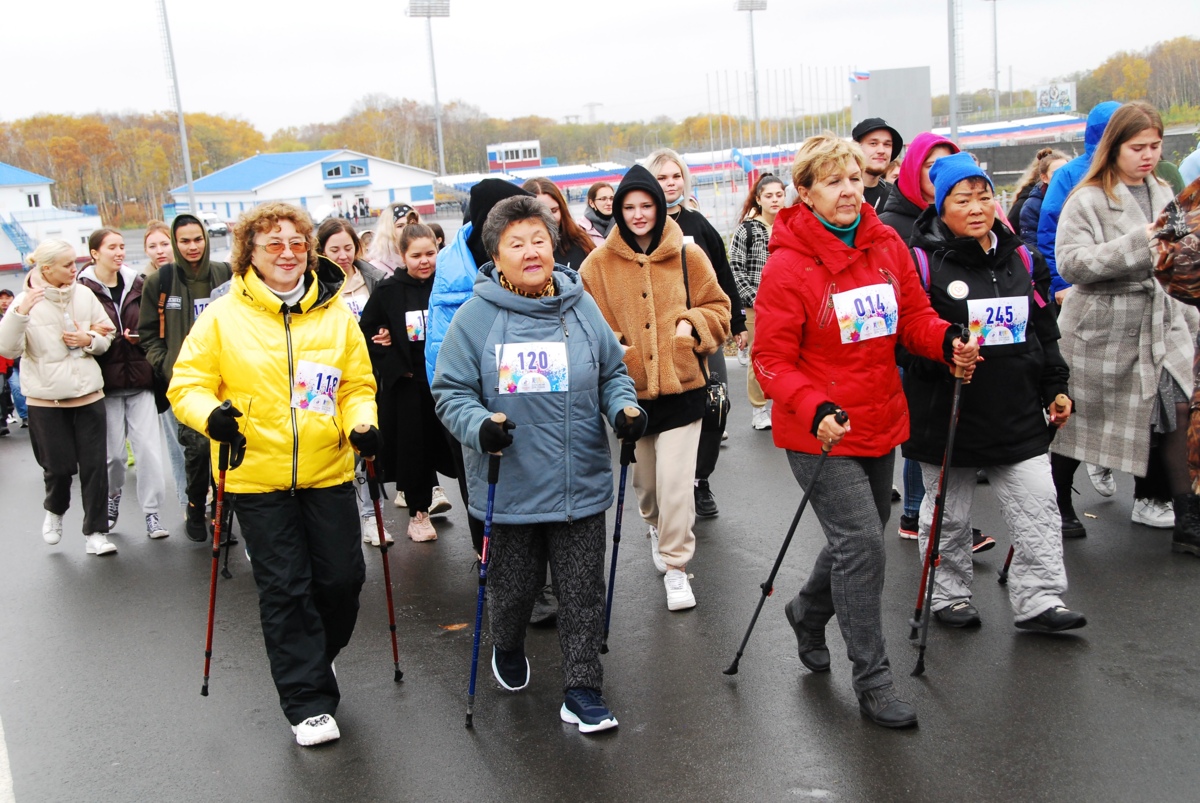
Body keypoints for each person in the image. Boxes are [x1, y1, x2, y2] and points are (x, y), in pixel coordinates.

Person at [752, 133, 978, 728]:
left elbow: (913, 319)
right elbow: (770, 360)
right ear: (804, 193)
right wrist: (815, 405)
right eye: (832, 181)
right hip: (819, 431)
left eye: (853, 178)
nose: (849, 190)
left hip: (879, 419)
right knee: (863, 547)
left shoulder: (884, 243)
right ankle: (873, 678)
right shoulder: (788, 265)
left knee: (861, 538)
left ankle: (807, 610)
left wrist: (946, 340)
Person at [168, 201, 379, 747]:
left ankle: (318, 657)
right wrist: (211, 417)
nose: (287, 253)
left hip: (327, 468)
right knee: (285, 587)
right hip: (254, 475)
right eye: (273, 244)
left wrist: (361, 424)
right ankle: (307, 701)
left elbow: (357, 385)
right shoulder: (221, 315)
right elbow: (186, 384)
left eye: (295, 243)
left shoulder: (334, 313)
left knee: (342, 579)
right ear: (250, 255)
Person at [432, 194, 643, 733]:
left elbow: (612, 373)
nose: (532, 252)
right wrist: (479, 424)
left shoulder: (581, 306)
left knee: (580, 593)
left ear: (555, 246)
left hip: (579, 481)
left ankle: (582, 688)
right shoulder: (476, 318)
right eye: (517, 243)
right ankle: (507, 642)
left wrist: (623, 407)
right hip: (512, 486)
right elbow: (451, 392)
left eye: (540, 241)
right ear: (496, 255)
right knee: (515, 591)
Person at [902, 152, 1085, 632]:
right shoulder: (919, 263)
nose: (977, 207)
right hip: (948, 413)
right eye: (963, 199)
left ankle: (1039, 599)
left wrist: (1056, 387)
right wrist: (946, 354)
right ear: (941, 207)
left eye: (984, 195)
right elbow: (905, 344)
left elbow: (1044, 331)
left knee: (1038, 505)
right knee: (951, 517)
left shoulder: (1022, 257)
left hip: (1017, 411)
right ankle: (949, 594)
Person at [1052, 101, 1200, 555]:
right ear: (1114, 146)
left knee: (1179, 412)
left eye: (1155, 145)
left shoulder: (1163, 192)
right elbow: (1071, 263)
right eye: (1138, 146)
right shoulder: (1087, 198)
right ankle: (1057, 503)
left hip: (1161, 322)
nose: (1149, 155)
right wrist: (1141, 242)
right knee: (1075, 422)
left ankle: (1187, 519)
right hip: (1101, 329)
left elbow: (1177, 254)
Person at [581, 164, 731, 611]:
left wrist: (691, 325)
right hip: (634, 395)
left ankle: (677, 567)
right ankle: (656, 526)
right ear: (617, 211)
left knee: (675, 484)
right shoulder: (597, 265)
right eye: (629, 207)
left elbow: (718, 307)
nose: (639, 214)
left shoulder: (688, 254)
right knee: (647, 488)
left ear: (661, 206)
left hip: (685, 388)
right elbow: (592, 327)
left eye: (647, 205)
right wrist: (618, 347)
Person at [427, 179, 534, 555]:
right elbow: (441, 345)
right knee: (479, 484)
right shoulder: (454, 267)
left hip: (524, 386)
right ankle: (486, 558)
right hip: (470, 396)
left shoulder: (523, 254)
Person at [646, 147, 746, 518]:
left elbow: (723, 277)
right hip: (659, 338)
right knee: (670, 411)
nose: (670, 184)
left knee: (716, 404)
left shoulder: (699, 225)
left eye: (675, 177)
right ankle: (669, 482)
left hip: (703, 332)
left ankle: (700, 480)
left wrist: (737, 323)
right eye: (662, 177)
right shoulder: (638, 226)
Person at [0, 240, 117, 555]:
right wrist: (20, 315)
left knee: (95, 467)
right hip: (45, 401)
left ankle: (95, 533)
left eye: (73, 263)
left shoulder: (83, 293)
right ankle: (55, 508)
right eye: (67, 265)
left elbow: (107, 332)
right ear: (45, 268)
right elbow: (7, 350)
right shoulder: (23, 301)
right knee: (59, 467)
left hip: (89, 394)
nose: (73, 269)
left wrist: (89, 339)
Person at [137, 213, 233, 541]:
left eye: (197, 239)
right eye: (184, 241)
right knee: (195, 449)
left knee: (226, 449)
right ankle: (195, 503)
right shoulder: (161, 281)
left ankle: (225, 517)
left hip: (225, 377)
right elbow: (147, 333)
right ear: (176, 244)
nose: (192, 247)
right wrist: (166, 366)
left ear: (206, 239)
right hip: (185, 381)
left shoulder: (225, 274)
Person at [359, 223, 456, 542]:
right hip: (410, 386)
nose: (424, 261)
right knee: (414, 454)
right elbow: (367, 333)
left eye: (431, 253)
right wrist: (386, 352)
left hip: (448, 383)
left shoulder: (447, 286)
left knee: (457, 452)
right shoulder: (388, 291)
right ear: (403, 256)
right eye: (416, 255)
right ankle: (418, 514)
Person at [78, 228, 169, 539]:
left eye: (121, 246)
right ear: (94, 253)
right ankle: (113, 496)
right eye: (111, 247)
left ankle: (152, 513)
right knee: (114, 456)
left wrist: (142, 337)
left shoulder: (137, 283)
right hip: (105, 385)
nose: (119, 252)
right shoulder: (82, 289)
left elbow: (155, 324)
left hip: (141, 379)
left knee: (149, 452)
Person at [1037, 101, 1122, 305]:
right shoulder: (1068, 174)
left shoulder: (1137, 171)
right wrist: (1060, 282)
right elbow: (1050, 230)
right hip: (1083, 284)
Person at [730, 173, 787, 431]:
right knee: (758, 356)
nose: (775, 200)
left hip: (789, 303)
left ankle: (786, 405)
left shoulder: (793, 225)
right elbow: (736, 269)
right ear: (759, 199)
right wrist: (755, 297)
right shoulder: (748, 230)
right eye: (769, 195)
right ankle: (759, 409)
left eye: (779, 194)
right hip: (758, 305)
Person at [143, 221, 188, 509]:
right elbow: (148, 333)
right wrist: (164, 363)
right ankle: (189, 503)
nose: (160, 251)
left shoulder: (194, 276)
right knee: (179, 445)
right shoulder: (149, 283)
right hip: (169, 376)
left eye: (164, 244)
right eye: (152, 246)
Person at [878, 132, 959, 243]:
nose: (940, 173)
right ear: (914, 171)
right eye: (931, 166)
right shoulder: (885, 227)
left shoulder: (963, 218)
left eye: (948, 166)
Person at [521, 178, 595, 269]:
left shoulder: (582, 245)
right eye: (540, 212)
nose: (549, 218)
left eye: (554, 210)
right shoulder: (516, 255)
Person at [1017, 149, 1070, 252]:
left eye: (1066, 171)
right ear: (1044, 177)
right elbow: (1032, 246)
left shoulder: (1077, 198)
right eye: (1056, 173)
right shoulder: (1032, 206)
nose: (1062, 177)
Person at [852, 118, 904, 212]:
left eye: (887, 144)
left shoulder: (897, 197)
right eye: (873, 143)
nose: (881, 150)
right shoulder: (841, 193)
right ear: (856, 147)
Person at [578, 181, 616, 246]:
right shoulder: (581, 229)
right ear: (591, 203)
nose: (609, 203)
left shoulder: (623, 224)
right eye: (603, 199)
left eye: (611, 199)